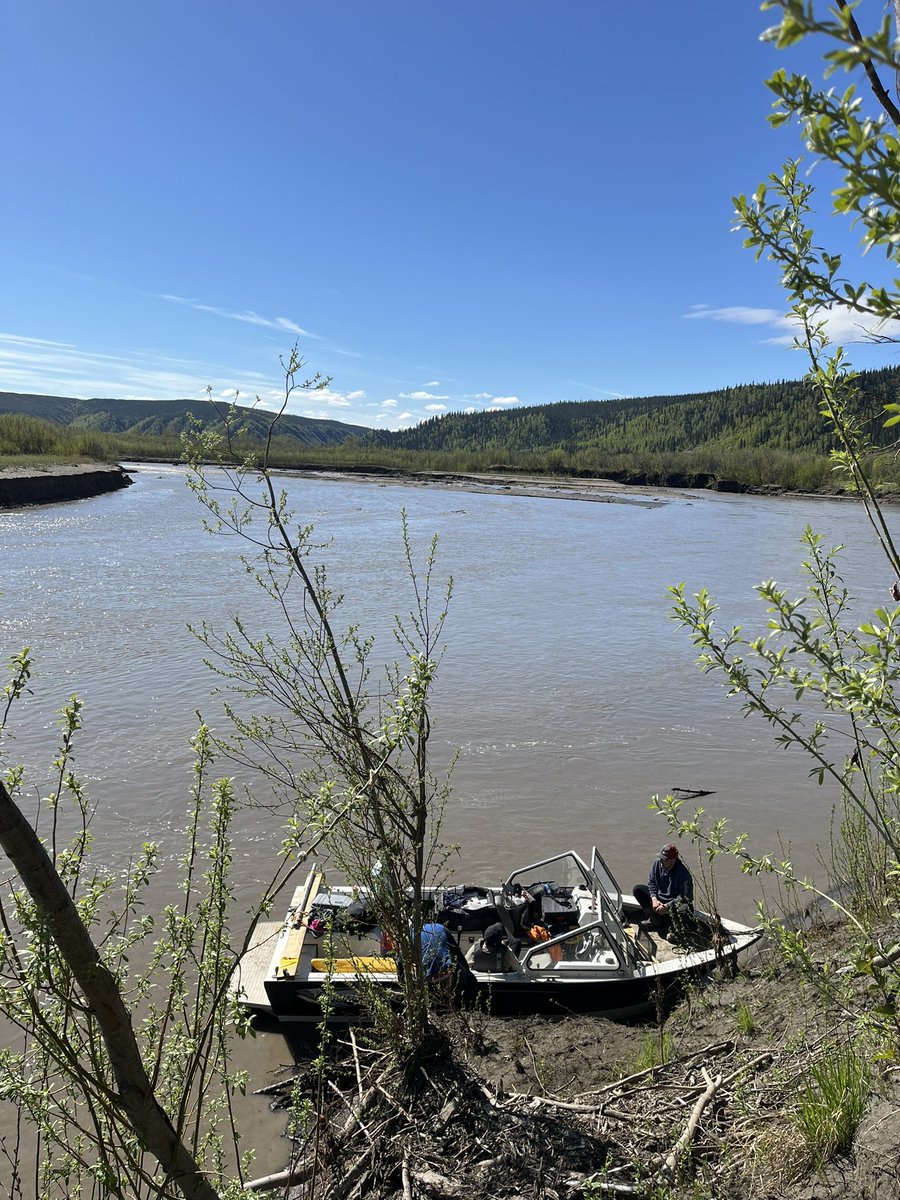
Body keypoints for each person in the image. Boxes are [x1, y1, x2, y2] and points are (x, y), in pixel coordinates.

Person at [633, 843, 695, 941]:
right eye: (661, 858)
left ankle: (676, 930)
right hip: (659, 899)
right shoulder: (657, 864)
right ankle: (655, 920)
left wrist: (667, 906)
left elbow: (686, 897)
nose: (661, 862)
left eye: (664, 860)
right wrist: (654, 898)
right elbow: (651, 882)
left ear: (673, 860)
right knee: (638, 889)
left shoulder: (683, 874)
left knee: (686, 908)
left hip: (673, 903)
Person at [418, 921, 477, 1004]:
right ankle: (469, 1006)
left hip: (428, 977)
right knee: (471, 980)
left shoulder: (408, 935)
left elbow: (400, 961)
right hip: (446, 970)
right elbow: (457, 952)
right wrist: (466, 971)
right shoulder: (440, 927)